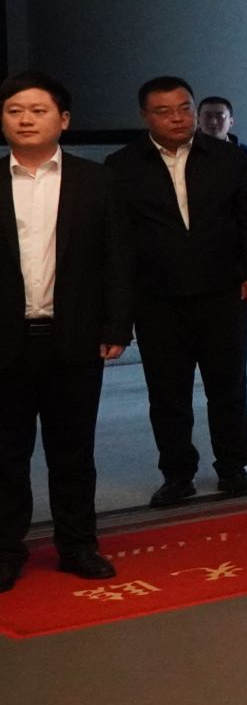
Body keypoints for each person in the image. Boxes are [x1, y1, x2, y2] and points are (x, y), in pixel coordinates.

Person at [108, 76, 247, 507]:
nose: (177, 118)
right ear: (145, 116)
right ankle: (177, 474)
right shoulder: (122, 166)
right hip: (156, 297)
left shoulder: (229, 158)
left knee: (228, 387)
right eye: (164, 111)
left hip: (223, 291)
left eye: (184, 108)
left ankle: (234, 467)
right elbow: (118, 240)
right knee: (167, 393)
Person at [0, 72, 131, 591]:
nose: (26, 120)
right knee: (6, 453)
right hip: (5, 341)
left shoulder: (95, 180)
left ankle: (78, 545)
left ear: (64, 119)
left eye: (38, 110)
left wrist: (116, 325)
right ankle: (6, 550)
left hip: (73, 336)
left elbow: (117, 259)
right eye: (14, 111)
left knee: (73, 451)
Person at [197, 96, 247, 176]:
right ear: (198, 120)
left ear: (231, 122)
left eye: (220, 116)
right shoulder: (186, 151)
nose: (213, 122)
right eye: (208, 116)